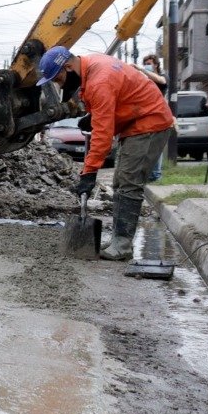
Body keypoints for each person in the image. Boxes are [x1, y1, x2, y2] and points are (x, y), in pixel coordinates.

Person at [37, 45, 175, 261]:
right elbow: (113, 102)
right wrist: (93, 115)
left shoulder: (99, 80)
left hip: (150, 122)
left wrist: (89, 172)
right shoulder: (92, 66)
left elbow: (102, 134)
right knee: (121, 183)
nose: (59, 84)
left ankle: (122, 245)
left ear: (69, 67)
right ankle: (120, 240)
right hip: (136, 121)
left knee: (129, 182)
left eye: (58, 79)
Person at [138, 54, 169, 182]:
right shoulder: (144, 79)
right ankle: (147, 174)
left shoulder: (162, 77)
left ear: (156, 64)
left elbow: (162, 81)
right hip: (146, 115)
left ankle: (155, 175)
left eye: (149, 63)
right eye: (145, 63)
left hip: (159, 115)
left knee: (156, 145)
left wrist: (142, 70)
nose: (147, 66)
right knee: (145, 146)